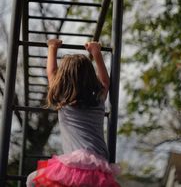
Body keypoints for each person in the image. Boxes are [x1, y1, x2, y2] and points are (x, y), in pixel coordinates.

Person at [26, 39, 121, 187]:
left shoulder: (63, 99)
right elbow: (105, 82)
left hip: (73, 165)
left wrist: (52, 47)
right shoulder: (98, 99)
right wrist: (96, 52)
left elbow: (51, 73)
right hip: (99, 165)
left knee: (32, 180)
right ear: (90, 76)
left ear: (62, 78)